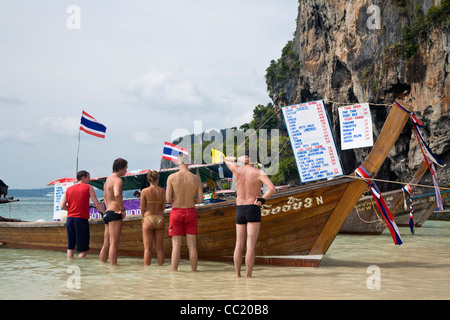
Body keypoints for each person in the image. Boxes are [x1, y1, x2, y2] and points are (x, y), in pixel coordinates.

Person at [224, 151, 276, 278]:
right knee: (250, 245)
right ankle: (248, 276)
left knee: (239, 244)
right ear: (254, 160)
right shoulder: (258, 173)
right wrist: (262, 199)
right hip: (252, 207)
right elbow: (272, 189)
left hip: (240, 208)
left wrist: (237, 159)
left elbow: (224, 159)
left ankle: (237, 275)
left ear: (244, 159)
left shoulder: (236, 169)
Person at [166, 153, 203, 271]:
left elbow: (168, 199)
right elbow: (200, 199)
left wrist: (174, 200)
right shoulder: (196, 178)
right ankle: (194, 272)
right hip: (191, 211)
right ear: (188, 162)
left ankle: (174, 273)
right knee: (192, 246)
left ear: (178, 162)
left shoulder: (172, 177)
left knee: (176, 246)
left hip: (176, 211)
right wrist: (193, 200)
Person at [61, 170, 105, 259]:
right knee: (83, 249)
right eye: (88, 178)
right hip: (81, 219)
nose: (89, 180)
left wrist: (72, 209)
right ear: (83, 178)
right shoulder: (88, 187)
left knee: (70, 247)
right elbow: (96, 204)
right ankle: (80, 267)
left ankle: (71, 265)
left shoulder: (69, 189)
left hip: (70, 219)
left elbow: (62, 206)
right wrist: (105, 213)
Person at [99, 158, 128, 265]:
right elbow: (117, 194)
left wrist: (108, 209)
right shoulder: (117, 180)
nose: (126, 171)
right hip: (115, 213)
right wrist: (122, 209)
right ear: (120, 168)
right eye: (125, 168)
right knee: (114, 243)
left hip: (107, 213)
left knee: (106, 244)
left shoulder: (108, 180)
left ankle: (102, 265)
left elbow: (105, 197)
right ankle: (113, 268)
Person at [140, 170, 166, 266]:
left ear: (148, 179)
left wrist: (145, 216)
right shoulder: (163, 191)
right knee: (159, 248)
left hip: (148, 218)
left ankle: (147, 272)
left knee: (147, 249)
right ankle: (161, 270)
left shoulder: (144, 191)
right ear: (158, 179)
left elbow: (142, 209)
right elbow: (163, 208)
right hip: (159, 218)